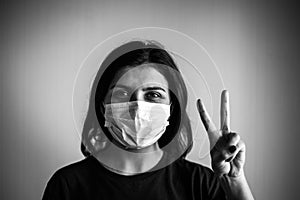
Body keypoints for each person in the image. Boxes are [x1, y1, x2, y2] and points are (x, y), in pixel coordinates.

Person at [42, 40, 254, 200]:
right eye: (122, 94)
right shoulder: (68, 185)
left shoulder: (200, 183)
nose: (138, 109)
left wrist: (235, 182)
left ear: (171, 108)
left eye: (153, 95)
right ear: (102, 106)